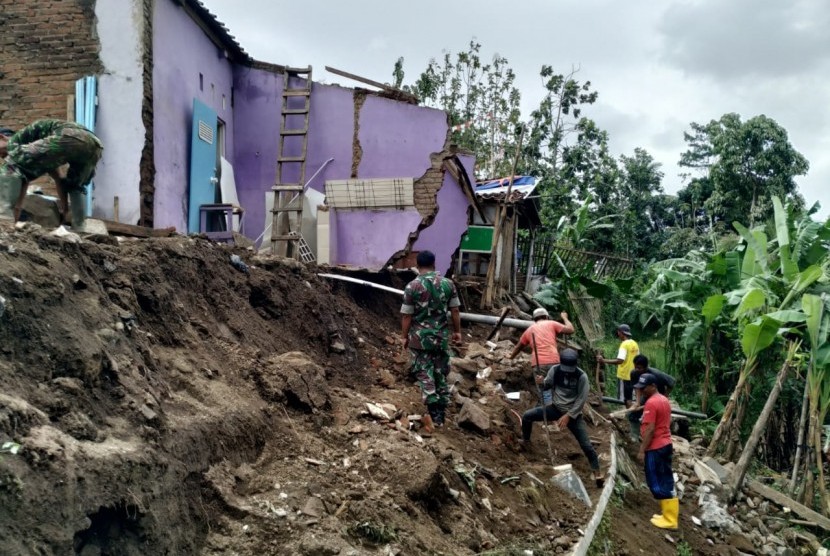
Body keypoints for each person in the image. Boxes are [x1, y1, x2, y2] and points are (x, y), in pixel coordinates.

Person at [520, 348, 604, 486]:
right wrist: (542, 382)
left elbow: (581, 400)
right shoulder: (555, 370)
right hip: (555, 408)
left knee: (586, 445)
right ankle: (526, 442)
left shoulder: (581, 377)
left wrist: (569, 415)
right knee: (527, 416)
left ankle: (597, 472)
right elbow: (548, 386)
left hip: (573, 414)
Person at [0, 120, 103, 226]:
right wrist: (64, 208)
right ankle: (80, 227)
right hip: (94, 144)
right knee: (76, 185)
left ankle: (3, 219)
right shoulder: (39, 153)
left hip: (68, 136)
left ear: (2, 137)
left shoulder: (15, 141)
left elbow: (15, 169)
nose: (2, 156)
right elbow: (59, 179)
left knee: (9, 166)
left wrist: (8, 221)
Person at [401, 250, 462, 428]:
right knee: (440, 373)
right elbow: (455, 311)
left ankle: (434, 411)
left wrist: (404, 337)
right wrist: (457, 332)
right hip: (441, 339)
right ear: (434, 264)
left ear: (417, 265)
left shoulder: (412, 286)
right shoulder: (448, 284)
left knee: (424, 373)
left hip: (419, 340)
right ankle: (441, 413)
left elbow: (406, 316)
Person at [635, 373, 678, 530]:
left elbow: (650, 429)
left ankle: (670, 519)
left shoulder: (651, 403)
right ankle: (668, 515)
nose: (642, 391)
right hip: (666, 443)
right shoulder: (664, 400)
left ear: (653, 386)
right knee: (665, 477)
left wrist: (642, 450)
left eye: (644, 388)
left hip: (656, 446)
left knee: (656, 481)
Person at [509, 307, 574, 405]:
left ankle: (547, 410)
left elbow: (518, 347)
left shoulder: (529, 330)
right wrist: (564, 318)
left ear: (534, 319)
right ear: (546, 316)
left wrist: (510, 358)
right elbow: (570, 330)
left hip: (539, 364)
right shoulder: (552, 323)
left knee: (544, 389)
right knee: (557, 387)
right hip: (554, 362)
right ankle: (559, 409)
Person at [626, 354, 676, 442]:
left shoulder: (656, 374)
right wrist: (637, 402)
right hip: (645, 396)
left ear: (646, 367)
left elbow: (672, 382)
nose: (637, 370)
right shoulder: (634, 373)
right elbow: (637, 388)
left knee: (656, 418)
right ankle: (635, 438)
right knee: (632, 415)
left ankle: (659, 439)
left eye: (639, 368)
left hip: (658, 396)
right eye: (636, 367)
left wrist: (665, 396)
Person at [597, 324, 639, 407]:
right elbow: (638, 358)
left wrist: (603, 360)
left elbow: (620, 360)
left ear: (622, 333)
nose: (618, 334)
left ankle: (629, 416)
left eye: (618, 332)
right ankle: (633, 414)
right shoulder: (634, 344)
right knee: (632, 397)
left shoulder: (624, 345)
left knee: (627, 399)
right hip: (634, 374)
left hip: (625, 375)